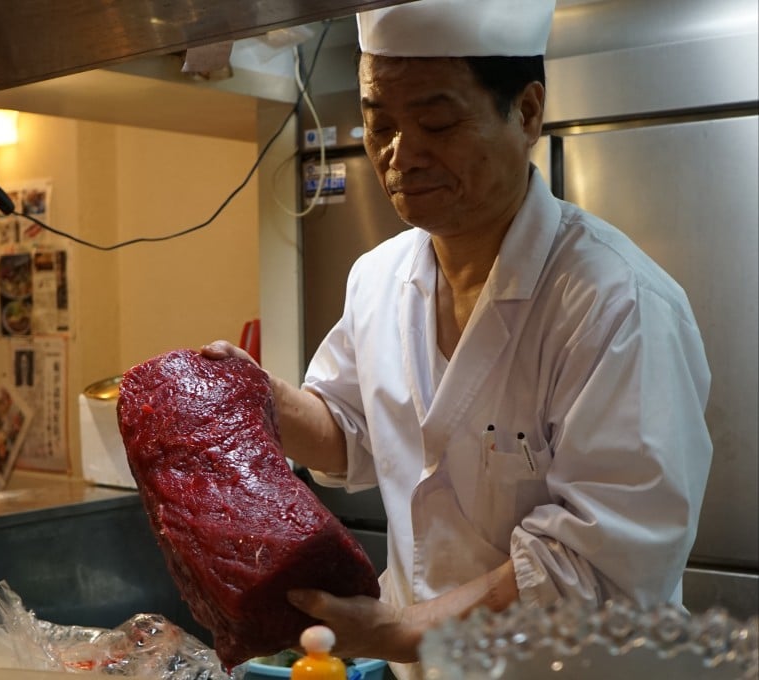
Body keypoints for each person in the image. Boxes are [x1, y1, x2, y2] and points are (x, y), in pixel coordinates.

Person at [202, 1, 712, 677]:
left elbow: (599, 565)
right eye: (379, 123)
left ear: (527, 112)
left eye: (436, 123)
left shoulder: (616, 304)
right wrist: (257, 395)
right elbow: (351, 430)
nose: (399, 155)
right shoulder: (377, 278)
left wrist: (395, 628)